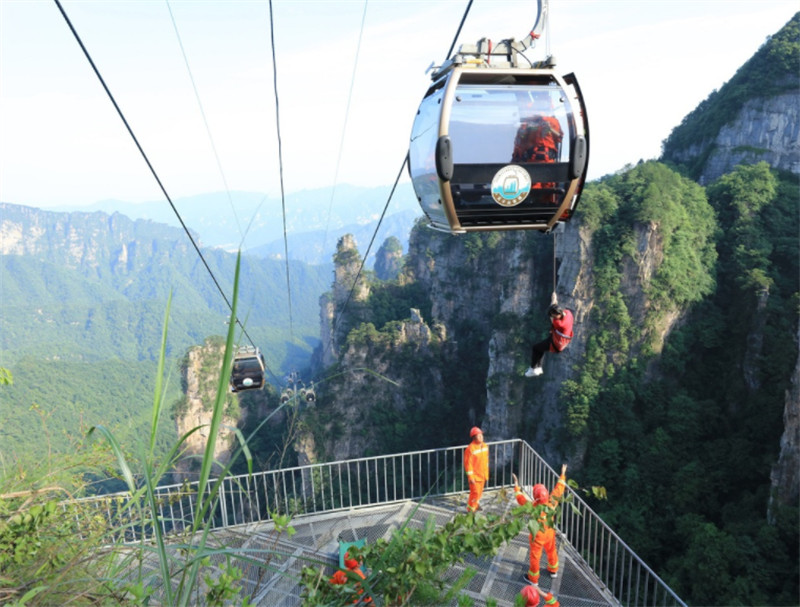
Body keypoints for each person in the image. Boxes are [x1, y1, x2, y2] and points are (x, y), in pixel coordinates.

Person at [513, 465, 568, 585]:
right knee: (552, 550)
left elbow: (520, 499)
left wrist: (516, 486)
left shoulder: (533, 507)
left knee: (535, 557)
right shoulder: (552, 503)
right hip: (549, 533)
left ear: (535, 497)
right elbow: (559, 489)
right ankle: (553, 570)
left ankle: (533, 579)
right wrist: (563, 474)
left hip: (537, 536)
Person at [525, 293, 573, 377]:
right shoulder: (568, 313)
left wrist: (553, 301)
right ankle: (538, 368)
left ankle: (533, 369)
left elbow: (552, 318)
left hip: (557, 343)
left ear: (558, 315)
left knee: (536, 348)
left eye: (554, 316)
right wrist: (554, 301)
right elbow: (555, 310)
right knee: (540, 348)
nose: (553, 317)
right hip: (557, 338)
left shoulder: (559, 323)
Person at [463, 426, 489, 513]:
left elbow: (485, 461)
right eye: (479, 435)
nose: (481, 436)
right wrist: (471, 477)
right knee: (475, 493)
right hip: (475, 477)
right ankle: (471, 510)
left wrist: (486, 474)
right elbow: (468, 465)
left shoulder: (485, 446)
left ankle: (476, 505)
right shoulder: (470, 449)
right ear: (474, 437)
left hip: (483, 475)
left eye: (481, 435)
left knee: (480, 493)